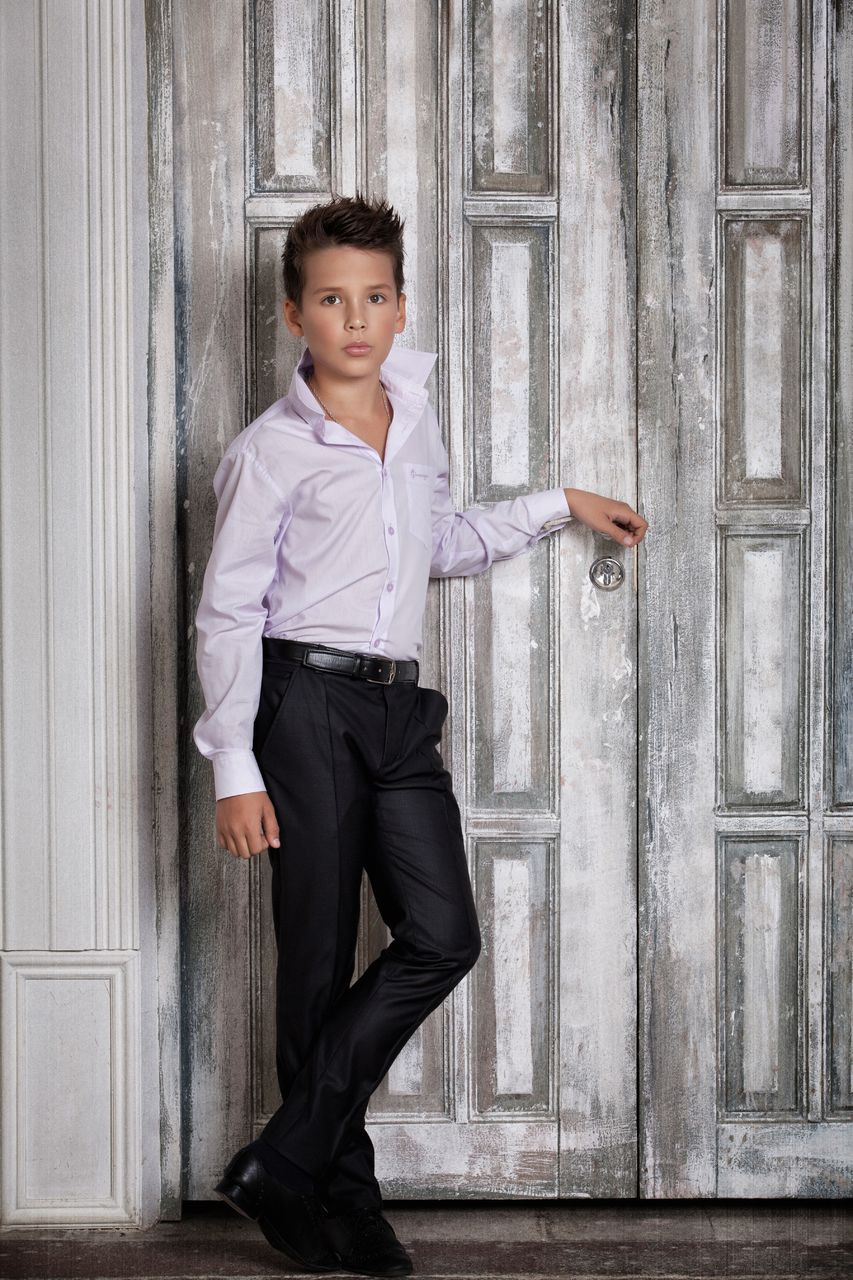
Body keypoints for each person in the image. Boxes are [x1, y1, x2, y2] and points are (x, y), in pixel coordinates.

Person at [192, 191, 648, 1277]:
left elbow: (433, 543)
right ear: (294, 315)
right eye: (330, 299)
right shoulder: (269, 452)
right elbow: (226, 612)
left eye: (375, 296)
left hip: (397, 710)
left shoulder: (413, 417)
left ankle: (282, 1159)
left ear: (400, 307)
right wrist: (233, 764)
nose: (355, 317)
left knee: (442, 935)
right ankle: (339, 1203)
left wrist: (556, 502)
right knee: (314, 963)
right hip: (301, 705)